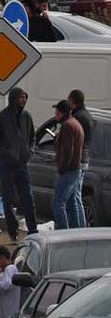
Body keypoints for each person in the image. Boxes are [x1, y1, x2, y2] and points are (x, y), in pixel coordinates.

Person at [0, 86, 37, 240]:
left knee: (28, 198)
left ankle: (33, 230)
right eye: (21, 97)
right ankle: (12, 231)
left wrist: (30, 151)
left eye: (25, 97)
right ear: (14, 98)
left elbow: (32, 137)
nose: (23, 100)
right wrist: (6, 152)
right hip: (6, 164)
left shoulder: (26, 117)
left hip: (22, 164)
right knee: (8, 198)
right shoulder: (1, 117)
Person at [53, 99, 85, 230]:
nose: (55, 114)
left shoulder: (68, 126)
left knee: (58, 203)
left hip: (69, 170)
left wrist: (62, 168)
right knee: (72, 203)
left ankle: (63, 232)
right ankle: (77, 231)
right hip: (75, 168)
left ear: (62, 112)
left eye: (57, 111)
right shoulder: (76, 124)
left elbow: (68, 150)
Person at [70, 89, 93, 228]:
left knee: (75, 195)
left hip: (79, 159)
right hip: (86, 158)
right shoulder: (87, 115)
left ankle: (79, 226)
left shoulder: (78, 117)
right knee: (76, 194)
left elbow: (75, 140)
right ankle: (81, 225)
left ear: (74, 101)